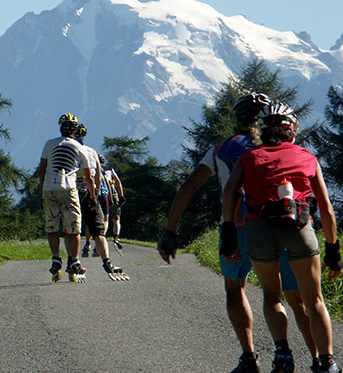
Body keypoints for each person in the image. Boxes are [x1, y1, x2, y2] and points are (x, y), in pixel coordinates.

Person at [158, 92, 317, 373]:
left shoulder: (221, 148)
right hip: (286, 224)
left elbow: (189, 186)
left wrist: (171, 231)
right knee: (297, 297)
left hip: (237, 229)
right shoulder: (284, 147)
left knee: (236, 289)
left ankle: (249, 358)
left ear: (237, 118)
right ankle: (319, 359)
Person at [222, 101, 342, 373]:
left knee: (272, 296)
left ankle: (283, 355)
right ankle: (327, 363)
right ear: (292, 130)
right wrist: (334, 252)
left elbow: (230, 191)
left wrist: (229, 234)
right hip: (299, 229)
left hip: (259, 231)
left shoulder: (248, 158)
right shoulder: (306, 157)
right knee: (314, 300)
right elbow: (326, 209)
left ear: (263, 131)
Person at [39, 113, 95, 281]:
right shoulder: (80, 148)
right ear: (76, 130)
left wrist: (42, 191)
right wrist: (92, 196)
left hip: (50, 188)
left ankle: (56, 258)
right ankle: (75, 260)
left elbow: (42, 170)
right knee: (74, 228)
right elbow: (89, 177)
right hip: (69, 189)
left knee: (52, 226)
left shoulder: (49, 144)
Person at [74, 123, 124, 277]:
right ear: (84, 136)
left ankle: (74, 262)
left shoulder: (68, 150)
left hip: (73, 193)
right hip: (90, 194)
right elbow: (97, 177)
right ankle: (107, 262)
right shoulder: (91, 151)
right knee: (99, 229)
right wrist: (95, 192)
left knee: (73, 229)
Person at [104, 158, 126, 251]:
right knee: (116, 218)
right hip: (113, 193)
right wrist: (121, 196)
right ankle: (116, 238)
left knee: (105, 219)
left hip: (103, 194)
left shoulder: (97, 170)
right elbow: (118, 182)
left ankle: (102, 238)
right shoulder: (109, 169)